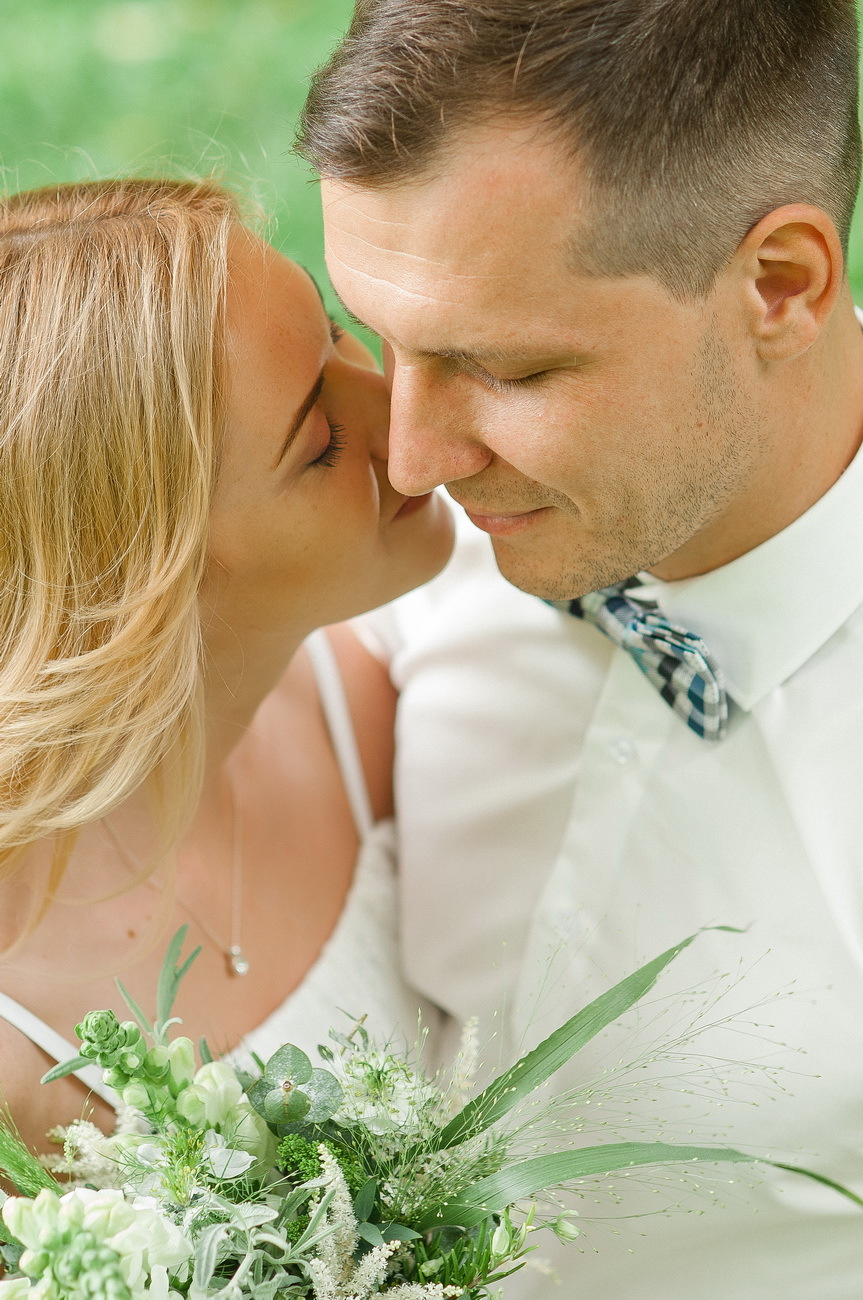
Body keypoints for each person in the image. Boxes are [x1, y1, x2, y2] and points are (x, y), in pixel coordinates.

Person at [297, 0, 863, 1295]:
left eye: (498, 366)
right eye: (377, 335)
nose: (408, 458)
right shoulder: (359, 535)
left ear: (777, 286)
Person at [0, 178, 454, 1156]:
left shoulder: (374, 697)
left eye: (334, 330)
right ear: (147, 582)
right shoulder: (22, 1056)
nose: (412, 419)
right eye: (324, 442)